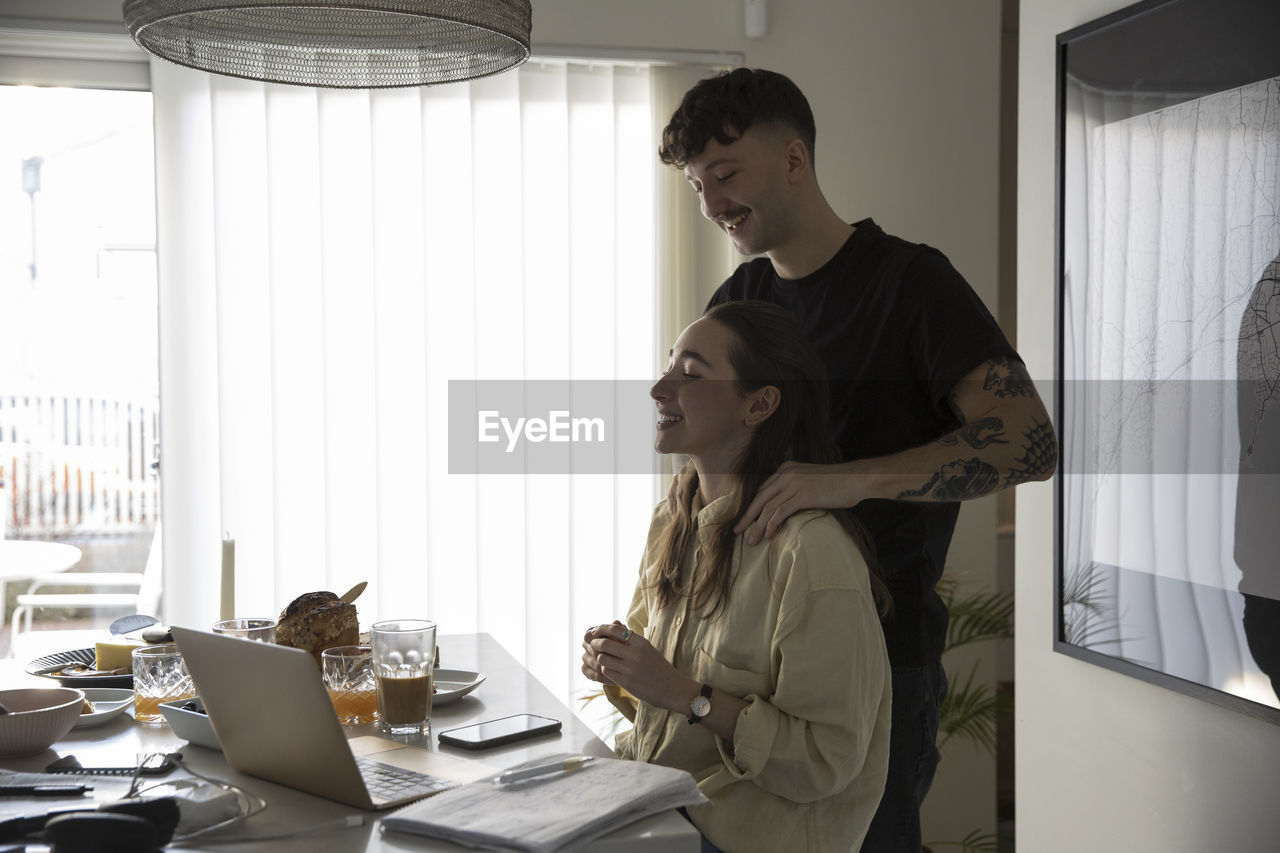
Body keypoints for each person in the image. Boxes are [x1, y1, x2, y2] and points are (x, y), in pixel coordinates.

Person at [657, 68, 1058, 852]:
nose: (712, 206)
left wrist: (845, 481)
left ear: (796, 159)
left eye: (727, 175)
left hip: (876, 658)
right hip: (742, 661)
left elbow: (1028, 441)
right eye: (697, 186)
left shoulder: (913, 283)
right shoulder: (739, 297)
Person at [582, 300, 893, 853]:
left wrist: (684, 694)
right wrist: (620, 665)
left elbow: (826, 761)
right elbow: (654, 698)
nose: (659, 388)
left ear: (759, 404)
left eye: (690, 373)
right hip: (661, 802)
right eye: (668, 365)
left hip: (738, 836)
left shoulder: (812, 552)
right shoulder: (671, 519)